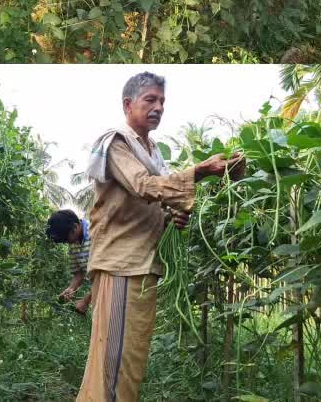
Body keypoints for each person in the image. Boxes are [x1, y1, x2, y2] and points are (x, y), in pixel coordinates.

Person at [75, 71, 247, 402]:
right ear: (128, 104)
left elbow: (160, 198)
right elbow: (144, 186)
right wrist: (199, 171)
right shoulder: (117, 144)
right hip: (122, 264)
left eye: (162, 101)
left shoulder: (152, 151)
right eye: (150, 100)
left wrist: (172, 215)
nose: (158, 107)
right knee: (115, 359)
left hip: (142, 264)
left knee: (131, 356)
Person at [45, 209, 93, 314]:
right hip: (99, 288)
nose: (67, 243)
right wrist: (71, 289)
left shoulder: (96, 234)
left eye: (66, 240)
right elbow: (79, 272)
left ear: (75, 227)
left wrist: (86, 301)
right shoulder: (73, 243)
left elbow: (105, 275)